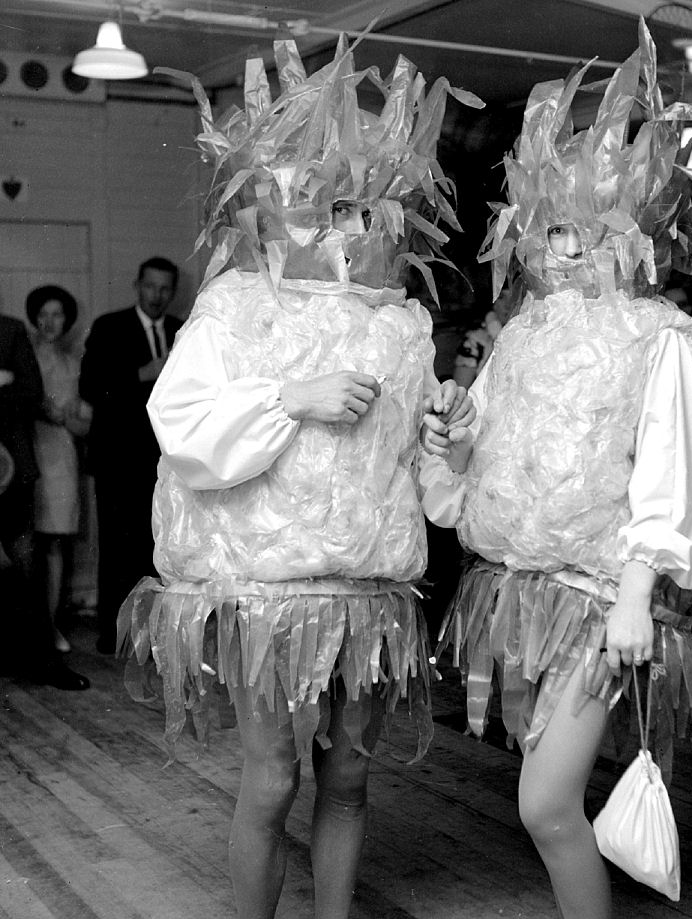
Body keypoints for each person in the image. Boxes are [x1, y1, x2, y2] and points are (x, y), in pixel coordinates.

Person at [116, 39, 480, 919]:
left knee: (349, 778)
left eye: (356, 210)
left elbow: (423, 474)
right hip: (267, 596)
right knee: (273, 777)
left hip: (368, 592)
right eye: (318, 209)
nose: (338, 230)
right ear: (273, 210)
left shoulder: (398, 324)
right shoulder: (235, 306)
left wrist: (449, 433)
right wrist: (292, 396)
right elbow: (183, 429)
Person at [421, 23, 692, 919]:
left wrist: (638, 594)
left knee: (545, 802)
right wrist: (447, 430)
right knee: (542, 794)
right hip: (514, 586)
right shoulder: (524, 333)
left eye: (584, 231)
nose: (563, 251)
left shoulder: (657, 339)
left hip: (600, 596)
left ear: (630, 234)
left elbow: (675, 475)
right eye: (550, 231)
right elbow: (470, 459)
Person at [79, 256, 183, 654]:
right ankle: (114, 635)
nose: (157, 296)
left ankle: (153, 639)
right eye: (150, 287)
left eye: (165, 289)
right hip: (118, 460)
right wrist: (143, 373)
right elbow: (91, 386)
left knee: (157, 546)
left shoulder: (181, 330)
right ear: (136, 285)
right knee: (117, 548)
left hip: (165, 462)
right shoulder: (110, 326)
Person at [0, 312, 89, 690]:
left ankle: (42, 662)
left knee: (25, 565)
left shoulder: (9, 330)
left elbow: (30, 394)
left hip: (9, 472)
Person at [26, 285, 92, 654]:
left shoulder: (73, 366)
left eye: (58, 315)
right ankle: (28, 628)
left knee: (53, 543)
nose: (50, 322)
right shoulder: (22, 356)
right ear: (34, 317)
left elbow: (86, 424)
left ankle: (50, 628)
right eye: (44, 314)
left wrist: (63, 417)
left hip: (60, 460)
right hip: (23, 451)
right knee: (24, 544)